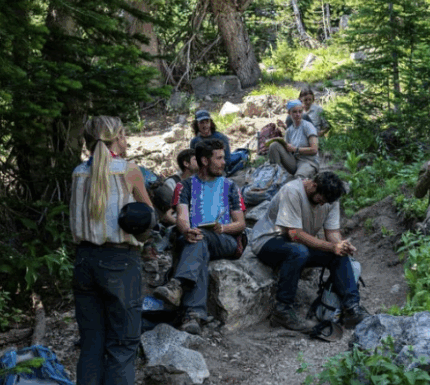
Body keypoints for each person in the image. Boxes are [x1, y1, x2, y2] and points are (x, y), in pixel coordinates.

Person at [69, 116, 154, 385]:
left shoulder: (77, 174)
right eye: (125, 132)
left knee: (91, 348)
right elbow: (147, 218)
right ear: (117, 136)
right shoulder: (128, 170)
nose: (128, 137)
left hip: (84, 262)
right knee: (121, 347)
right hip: (120, 263)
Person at [249, 171, 370, 332]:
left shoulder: (330, 199)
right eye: (321, 199)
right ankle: (282, 310)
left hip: (298, 243)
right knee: (298, 251)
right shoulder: (292, 191)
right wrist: (331, 247)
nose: (322, 204)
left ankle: (352, 308)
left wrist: (341, 245)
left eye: (326, 202)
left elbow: (332, 232)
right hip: (269, 240)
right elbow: (294, 234)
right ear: (313, 185)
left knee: (337, 255)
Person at [153, 139, 247, 336]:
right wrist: (187, 229)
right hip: (195, 239)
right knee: (198, 243)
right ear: (205, 160)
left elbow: (240, 223)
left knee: (199, 239)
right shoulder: (184, 186)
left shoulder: (230, 186)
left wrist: (223, 227)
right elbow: (181, 218)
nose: (224, 162)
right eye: (219, 158)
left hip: (225, 239)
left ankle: (178, 287)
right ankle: (194, 315)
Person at [268, 99, 320, 179]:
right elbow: (288, 149)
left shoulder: (308, 126)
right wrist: (280, 142)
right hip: (295, 161)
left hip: (309, 162)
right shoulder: (289, 130)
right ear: (289, 113)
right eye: (294, 112)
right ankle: (275, 177)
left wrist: (295, 149)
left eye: (300, 111)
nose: (298, 114)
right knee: (274, 146)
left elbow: (314, 150)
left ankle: (305, 175)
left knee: (298, 179)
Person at [189, 109, 244, 176]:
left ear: (210, 123)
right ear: (197, 124)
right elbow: (193, 161)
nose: (205, 125)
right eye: (202, 123)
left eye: (207, 122)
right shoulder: (194, 142)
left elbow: (227, 160)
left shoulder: (221, 138)